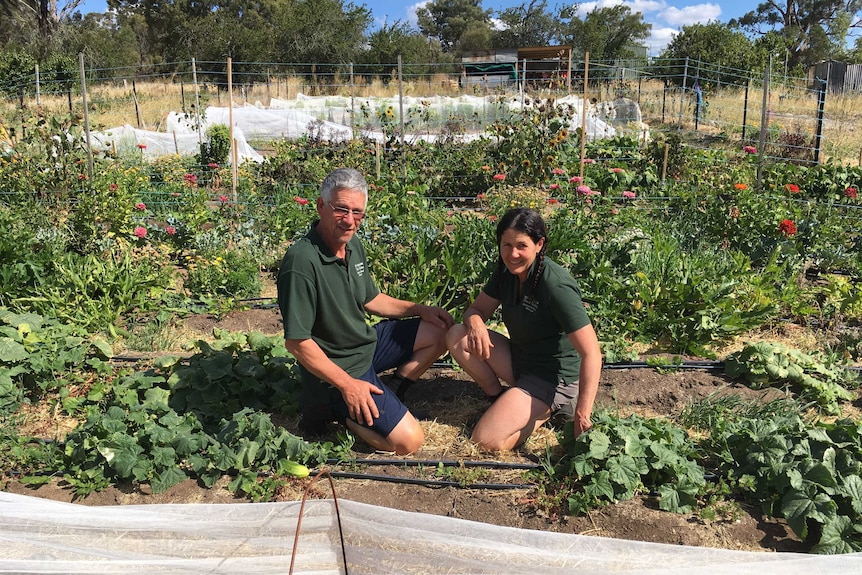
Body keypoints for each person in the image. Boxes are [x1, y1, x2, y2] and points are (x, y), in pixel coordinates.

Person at [277, 168, 453, 455]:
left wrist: (421, 309)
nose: (350, 221)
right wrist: (348, 385)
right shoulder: (301, 262)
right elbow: (297, 343)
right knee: (409, 442)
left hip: (364, 346)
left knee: (440, 330)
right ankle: (341, 410)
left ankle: (391, 390)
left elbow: (370, 298)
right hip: (338, 369)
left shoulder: (352, 244)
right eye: (341, 210)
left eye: (357, 213)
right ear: (321, 206)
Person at [446, 207, 601, 451]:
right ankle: (498, 398)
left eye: (521, 246)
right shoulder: (506, 273)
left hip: (553, 377)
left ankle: (546, 412)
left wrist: (583, 412)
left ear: (539, 244)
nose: (513, 253)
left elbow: (592, 352)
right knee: (457, 334)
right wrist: (475, 322)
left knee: (485, 441)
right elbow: (475, 311)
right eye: (506, 245)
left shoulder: (555, 286)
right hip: (522, 361)